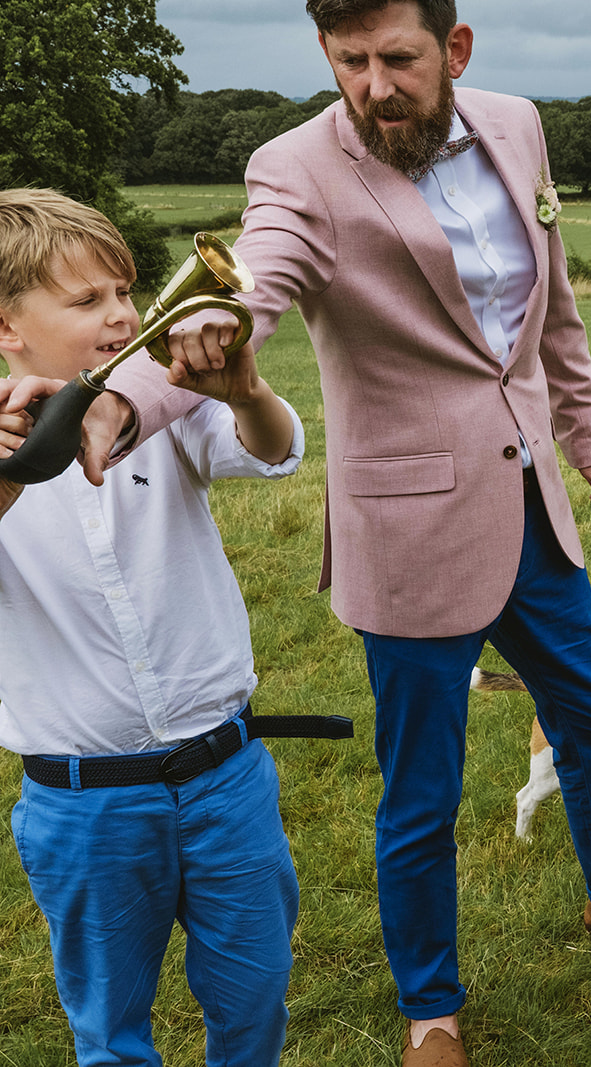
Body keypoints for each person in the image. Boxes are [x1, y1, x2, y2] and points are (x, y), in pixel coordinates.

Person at [101, 2, 591, 1063]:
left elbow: (552, 310)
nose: (373, 86)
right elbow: (249, 290)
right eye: (349, 62)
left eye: (397, 59)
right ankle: (431, 1003)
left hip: (533, 507)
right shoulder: (295, 170)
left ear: (455, 51)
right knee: (419, 788)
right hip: (409, 528)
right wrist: (123, 399)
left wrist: (589, 437)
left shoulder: (517, 126)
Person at [0, 188, 313, 1064]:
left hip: (226, 776)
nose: (124, 314)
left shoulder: (160, 405)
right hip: (84, 802)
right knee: (109, 1026)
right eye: (88, 299)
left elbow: (273, 447)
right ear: (7, 326)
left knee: (253, 995)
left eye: (125, 290)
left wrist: (244, 389)